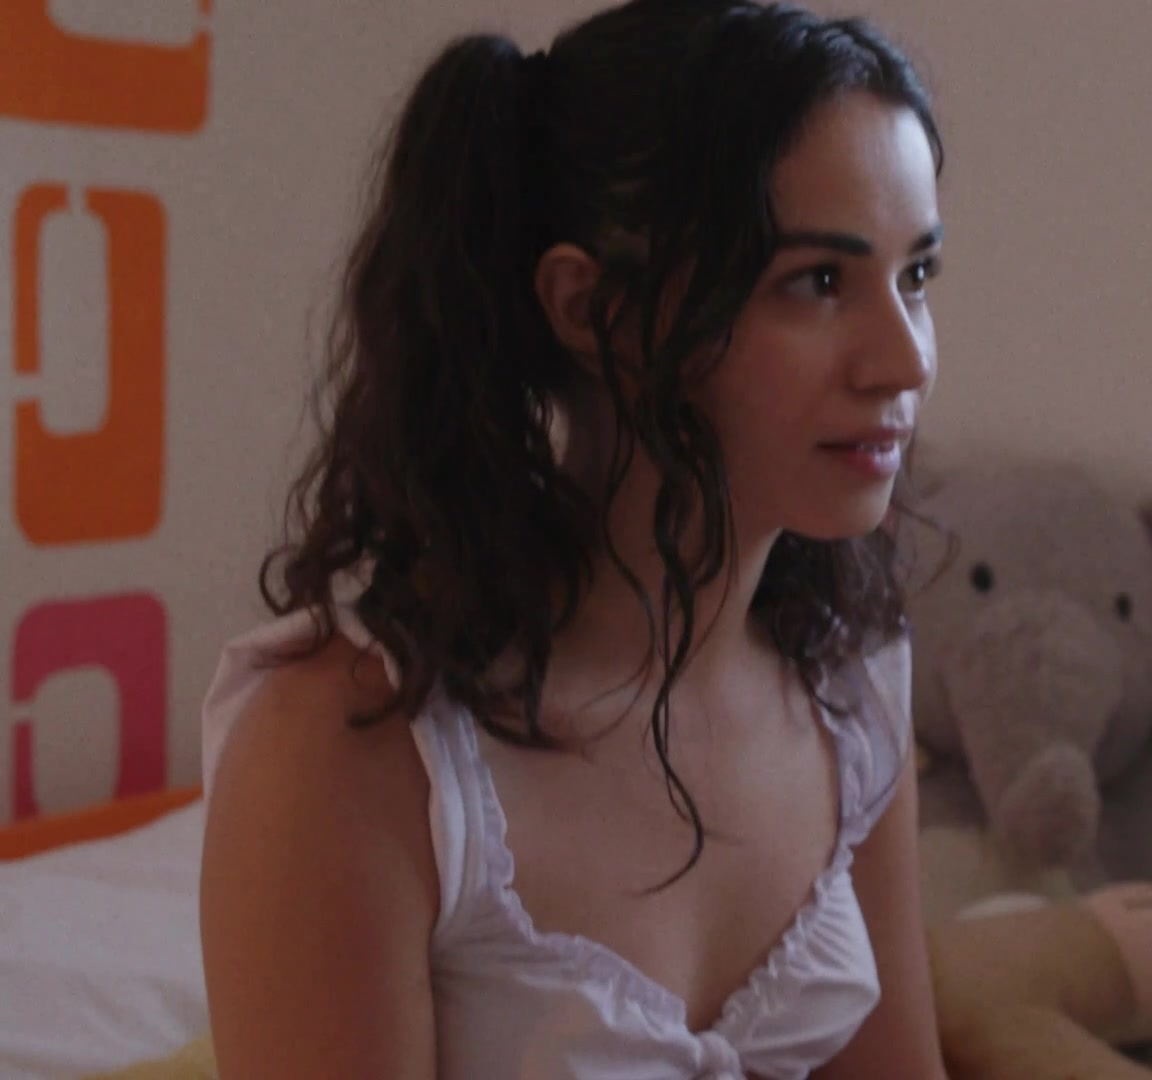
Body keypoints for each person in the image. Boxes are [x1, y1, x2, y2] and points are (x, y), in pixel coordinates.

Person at [196, 2, 949, 1076]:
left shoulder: (851, 684)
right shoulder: (350, 747)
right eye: (818, 283)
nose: (905, 360)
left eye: (916, 276)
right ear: (593, 309)